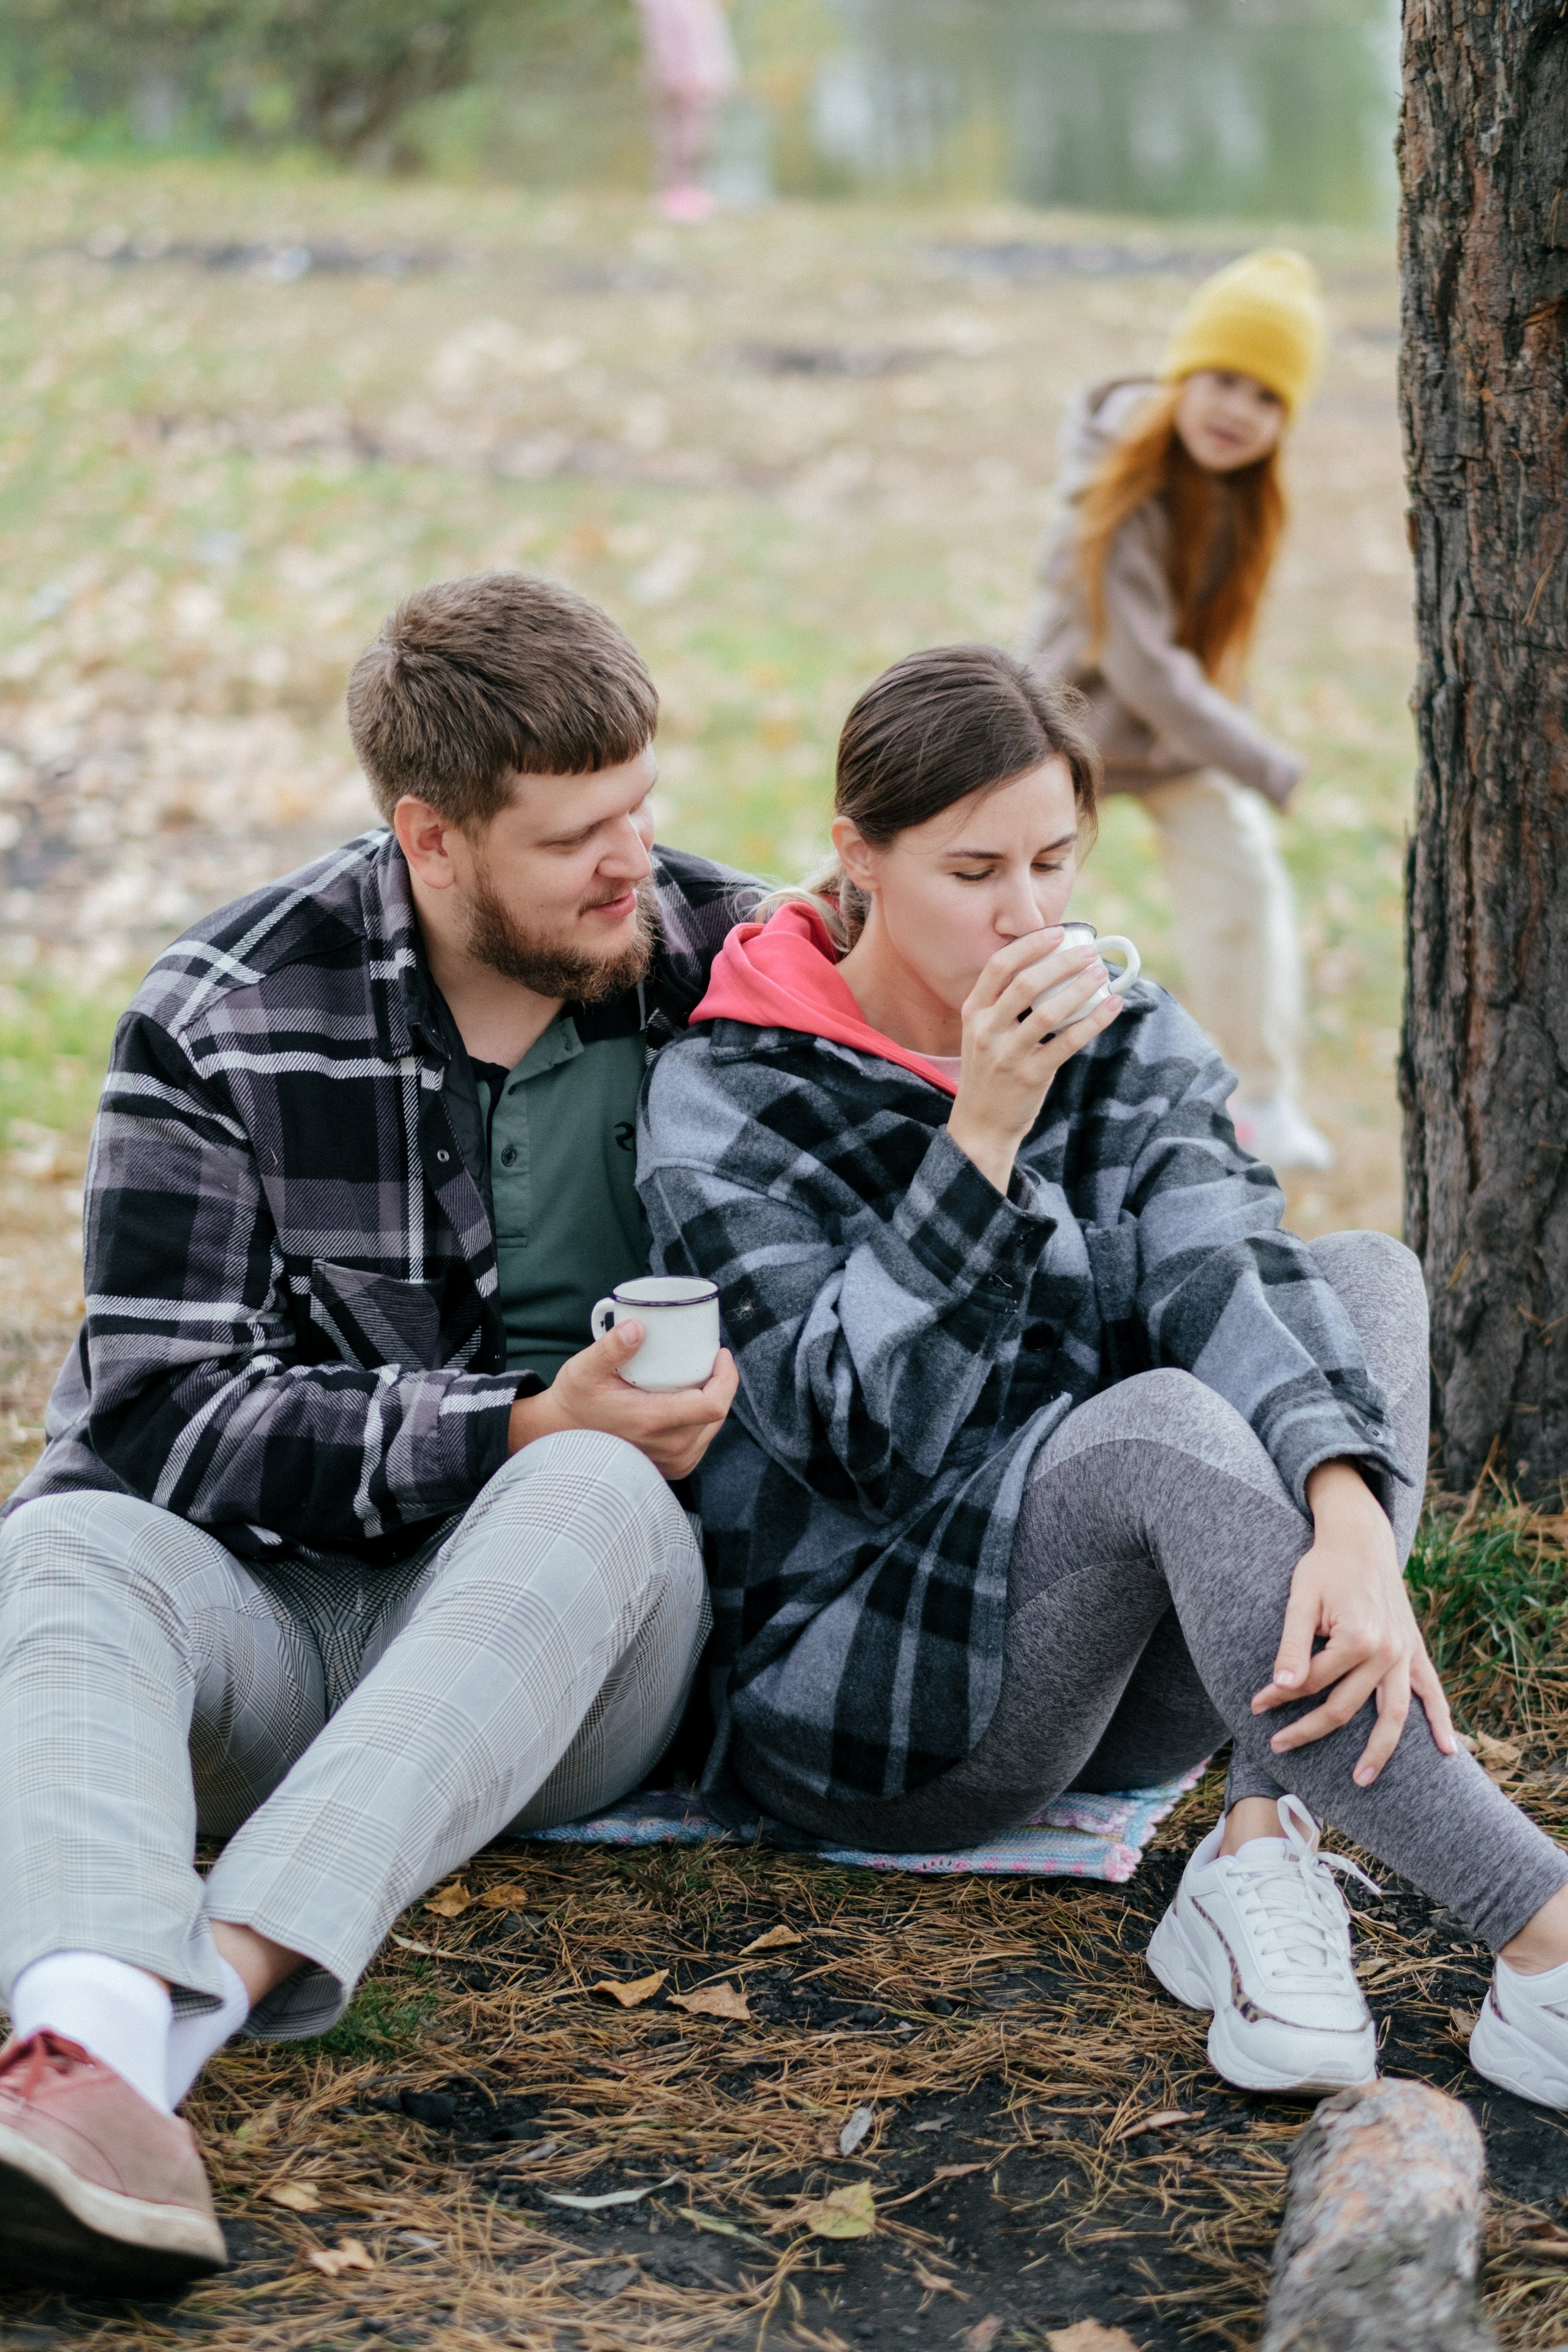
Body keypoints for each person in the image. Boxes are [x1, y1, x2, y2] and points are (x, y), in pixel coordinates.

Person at [635, 641, 1568, 2110]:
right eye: (971, 870)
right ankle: (1541, 1925)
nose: (1025, 914)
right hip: (874, 1698)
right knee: (1155, 1422)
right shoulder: (729, 1090)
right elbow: (850, 1437)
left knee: (1357, 1276)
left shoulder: (1114, 1025)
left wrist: (1341, 1508)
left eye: (1054, 859)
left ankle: (1259, 1840)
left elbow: (1228, 1257)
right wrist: (980, 1135)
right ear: (856, 855)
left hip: (1124, 1668)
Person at [0, 573, 755, 2293]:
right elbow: (166, 1410)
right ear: (431, 835)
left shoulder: (732, 965)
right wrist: (502, 1419)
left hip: (569, 1669)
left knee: (587, 1484)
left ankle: (166, 2048)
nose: (632, 861)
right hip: (270, 1630)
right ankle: (83, 2049)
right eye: (577, 838)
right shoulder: (220, 1017)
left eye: (642, 808)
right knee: (60, 1540)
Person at [1020, 247, 1333, 1173]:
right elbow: (1144, 665)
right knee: (1003, 885)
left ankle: (1261, 1098)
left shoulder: (1241, 495)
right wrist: (1262, 760)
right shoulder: (1117, 486)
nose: (1239, 410)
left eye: (1268, 397)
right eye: (1224, 380)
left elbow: (1200, 654)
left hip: (1165, 745)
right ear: (1183, 375)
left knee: (1243, 881)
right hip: (1065, 726)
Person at [633, 0, 740, 225]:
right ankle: (676, 194)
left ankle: (689, 192)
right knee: (677, 140)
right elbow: (664, 39)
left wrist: (721, 72)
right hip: (681, 79)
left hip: (701, 78)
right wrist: (675, 76)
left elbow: (711, 35)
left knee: (698, 138)